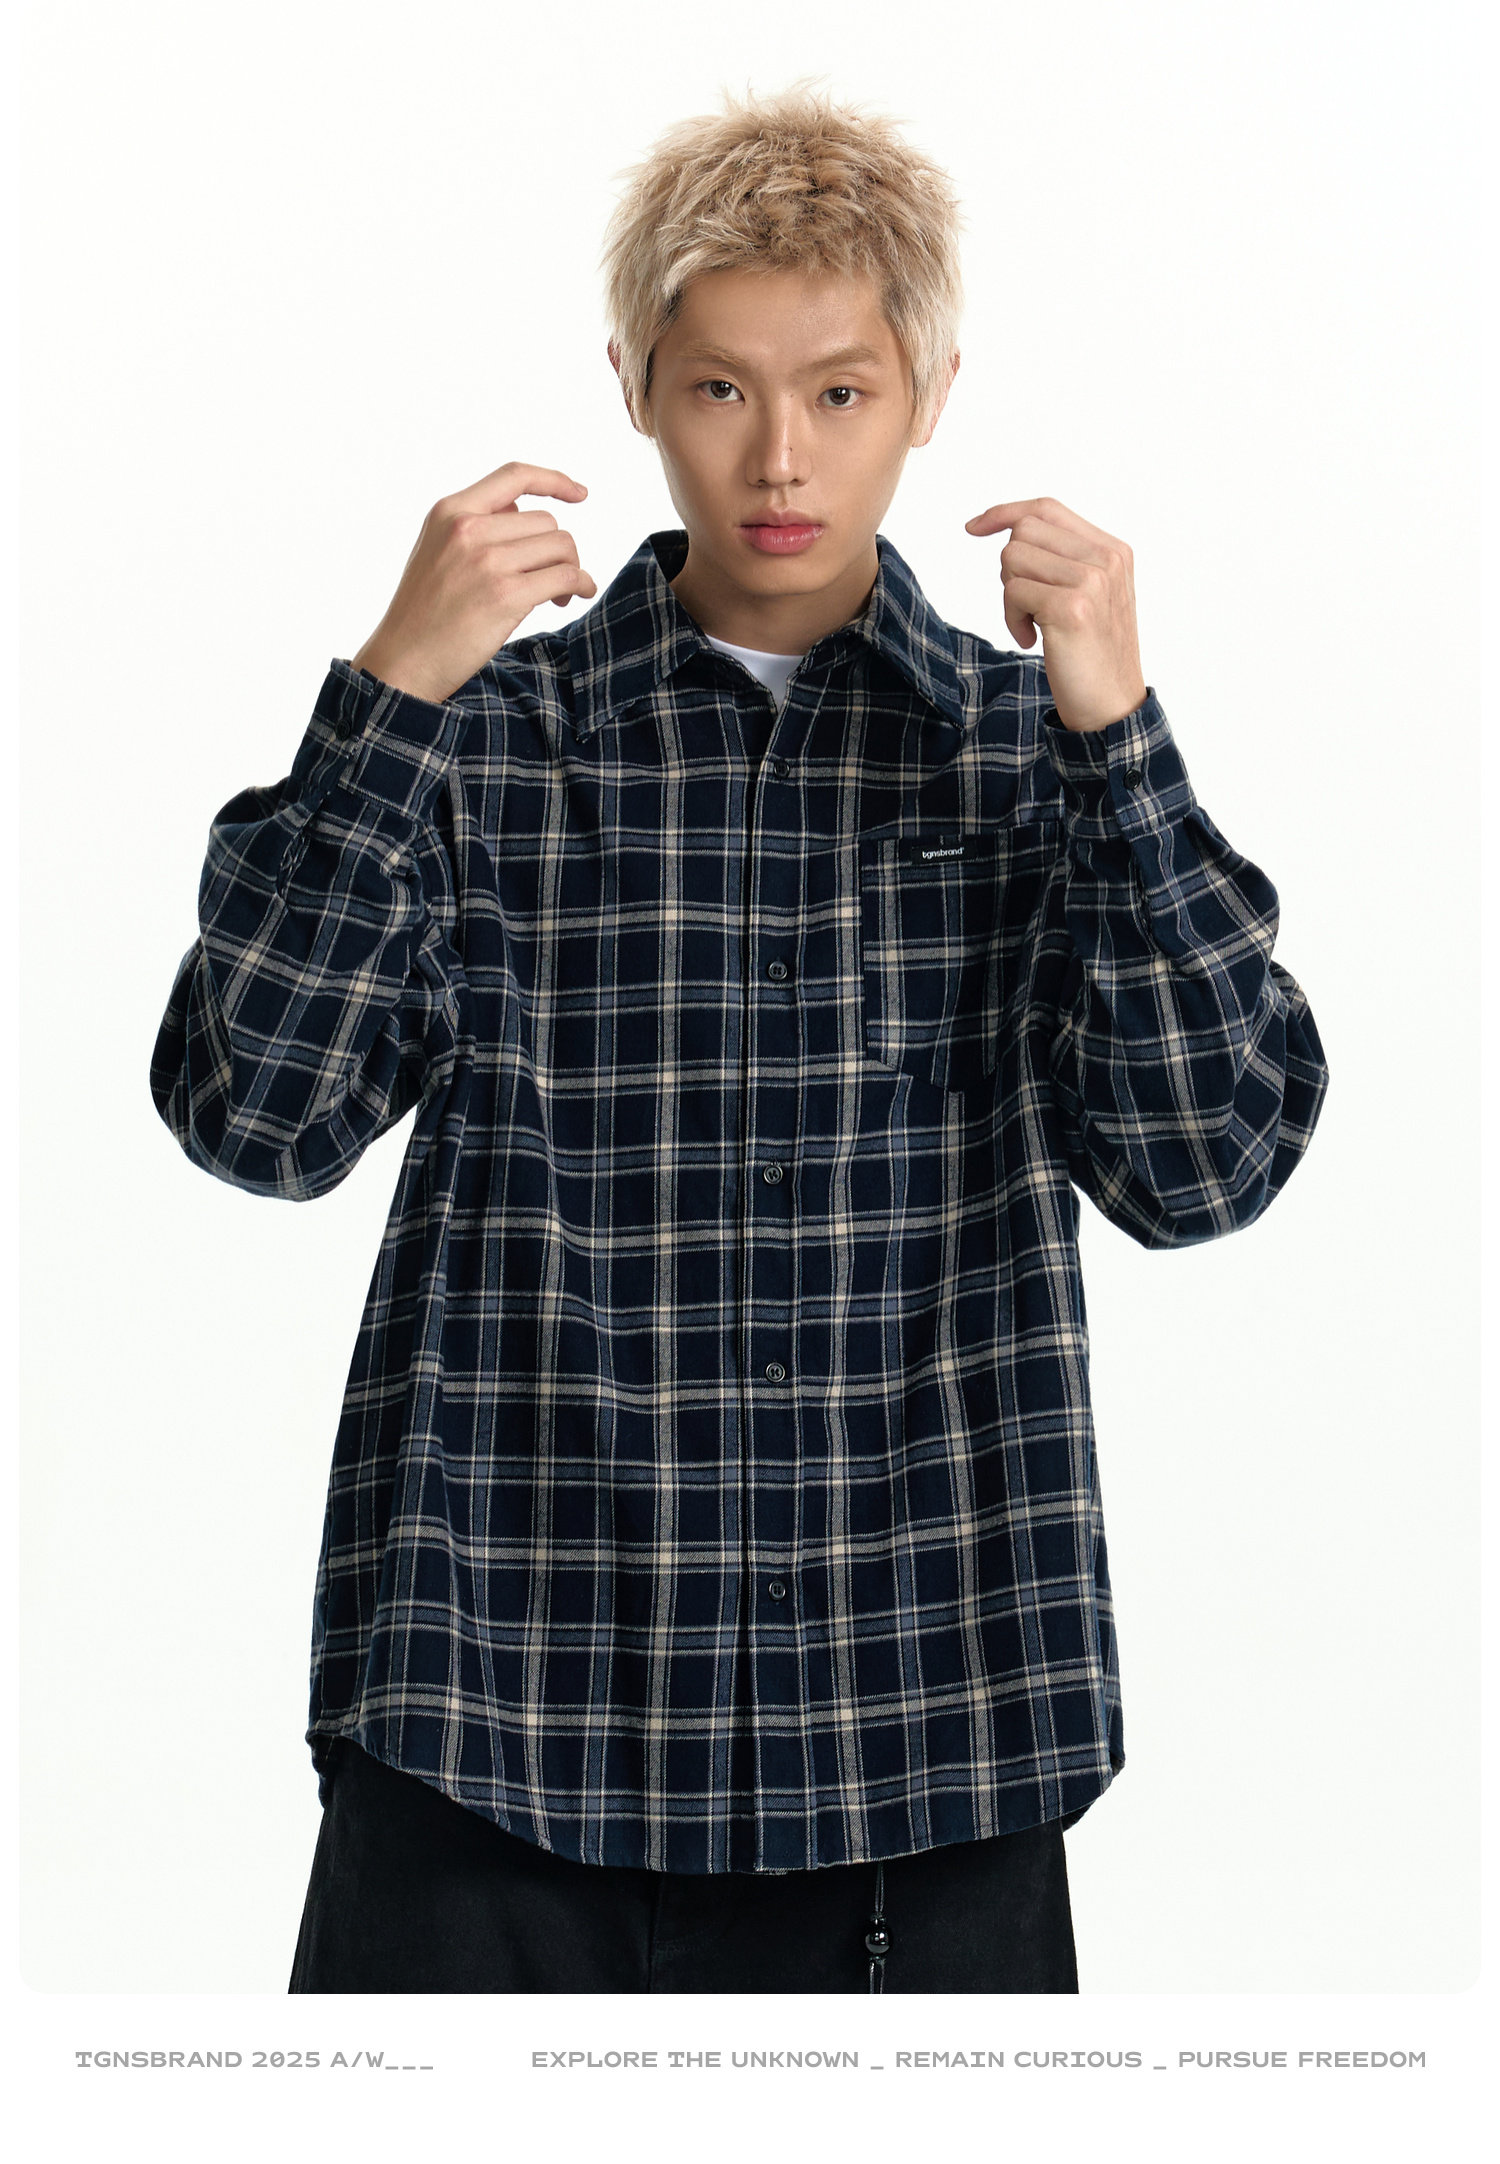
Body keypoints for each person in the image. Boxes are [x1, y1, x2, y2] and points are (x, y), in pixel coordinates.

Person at [149, 80, 1330, 1996]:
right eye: (719, 388)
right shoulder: (481, 751)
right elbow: (255, 1115)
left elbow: (1202, 1168)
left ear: (930, 394)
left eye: (840, 392)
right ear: (633, 382)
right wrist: (391, 692)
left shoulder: (1031, 767)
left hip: (923, 1761)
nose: (780, 455)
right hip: (490, 1754)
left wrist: (1119, 743)